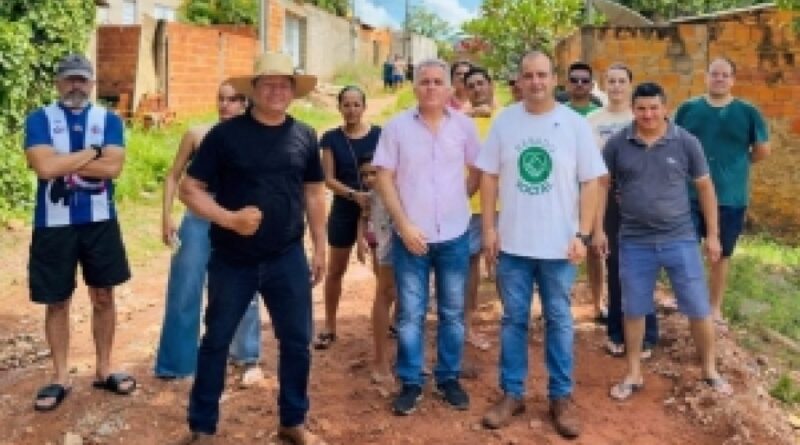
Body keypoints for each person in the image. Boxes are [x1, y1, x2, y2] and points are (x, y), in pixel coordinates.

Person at [178, 52, 327, 445]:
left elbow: (314, 193)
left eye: (284, 84)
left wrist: (320, 246)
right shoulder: (224, 136)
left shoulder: (305, 135)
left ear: (293, 91)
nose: (277, 90)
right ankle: (202, 427)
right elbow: (189, 190)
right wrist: (229, 219)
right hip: (233, 259)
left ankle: (293, 422)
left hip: (287, 256)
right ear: (254, 90)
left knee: (297, 342)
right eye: (268, 83)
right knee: (216, 341)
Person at [477, 51, 606, 438]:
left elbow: (592, 181)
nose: (535, 82)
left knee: (559, 321)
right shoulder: (505, 122)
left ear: (554, 79)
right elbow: (488, 177)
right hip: (513, 244)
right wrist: (488, 228)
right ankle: (512, 393)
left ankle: (561, 397)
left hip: (560, 247)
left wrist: (583, 234)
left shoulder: (575, 125)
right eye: (528, 75)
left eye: (542, 75)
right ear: (519, 80)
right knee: (513, 320)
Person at [599, 82, 733, 402]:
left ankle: (710, 370)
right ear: (633, 109)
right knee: (634, 309)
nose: (648, 114)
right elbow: (601, 186)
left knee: (698, 308)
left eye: (654, 108)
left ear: (665, 108)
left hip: (680, 239)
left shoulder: (686, 142)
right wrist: (598, 229)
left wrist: (713, 235)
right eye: (641, 109)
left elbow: (705, 188)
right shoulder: (617, 144)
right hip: (634, 241)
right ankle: (633, 373)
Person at [24, 53, 135, 411]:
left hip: (100, 222)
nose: (76, 86)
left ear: (92, 83)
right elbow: (44, 168)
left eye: (82, 80)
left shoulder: (109, 119)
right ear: (58, 83)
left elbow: (113, 168)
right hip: (53, 223)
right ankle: (60, 376)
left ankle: (104, 368)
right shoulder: (39, 119)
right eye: (69, 79)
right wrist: (93, 152)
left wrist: (63, 162)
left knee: (104, 295)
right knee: (57, 300)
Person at [373, 58, 481, 416]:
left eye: (438, 81)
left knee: (452, 312)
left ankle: (448, 377)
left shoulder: (464, 126)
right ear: (414, 87)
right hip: (411, 236)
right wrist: (403, 224)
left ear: (450, 88)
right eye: (424, 81)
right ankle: (411, 380)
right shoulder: (396, 127)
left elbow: (478, 169)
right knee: (410, 313)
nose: (431, 87)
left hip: (454, 234)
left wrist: (458, 200)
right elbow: (384, 178)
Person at [154, 82, 264, 385]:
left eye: (234, 99)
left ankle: (246, 356)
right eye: (221, 98)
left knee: (245, 287)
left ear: (245, 103)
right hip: (198, 217)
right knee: (185, 287)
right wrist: (166, 216)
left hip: (237, 221)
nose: (226, 105)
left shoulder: (253, 137)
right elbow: (173, 176)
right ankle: (177, 363)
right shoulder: (197, 134)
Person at [674, 57, 770, 328]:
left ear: (733, 80)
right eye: (714, 74)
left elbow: (762, 149)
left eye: (725, 75)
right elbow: (673, 142)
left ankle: (715, 307)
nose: (719, 79)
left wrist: (737, 165)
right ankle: (689, 303)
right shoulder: (689, 109)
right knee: (686, 250)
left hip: (730, 196)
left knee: (721, 254)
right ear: (706, 77)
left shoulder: (747, 112)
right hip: (690, 194)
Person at [588, 63, 659, 358]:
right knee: (616, 266)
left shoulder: (642, 116)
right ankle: (616, 332)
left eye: (621, 81)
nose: (616, 86)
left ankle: (648, 334)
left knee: (645, 266)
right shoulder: (592, 120)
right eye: (611, 81)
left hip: (642, 200)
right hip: (608, 199)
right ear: (604, 85)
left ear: (630, 85)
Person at [315, 86, 381, 350]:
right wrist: (355, 195)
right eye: (346, 104)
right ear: (339, 107)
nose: (352, 110)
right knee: (336, 270)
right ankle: (329, 325)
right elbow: (328, 178)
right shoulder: (330, 138)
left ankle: (387, 321)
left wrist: (373, 197)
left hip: (377, 209)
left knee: (383, 269)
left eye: (356, 104)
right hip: (344, 207)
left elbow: (388, 171)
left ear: (364, 107)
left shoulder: (380, 135)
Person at [462, 66, 498, 371]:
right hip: (469, 205)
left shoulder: (507, 117)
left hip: (505, 205)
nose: (477, 89)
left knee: (507, 264)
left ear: (491, 85)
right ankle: (467, 325)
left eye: (481, 83)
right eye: (471, 85)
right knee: (470, 265)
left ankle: (512, 322)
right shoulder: (460, 121)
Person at [355, 159, 396, 383]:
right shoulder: (371, 197)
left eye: (373, 173)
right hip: (384, 244)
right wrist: (360, 241)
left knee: (405, 295)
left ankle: (406, 357)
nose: (369, 179)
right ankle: (381, 361)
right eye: (365, 175)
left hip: (408, 241)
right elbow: (363, 219)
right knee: (386, 290)